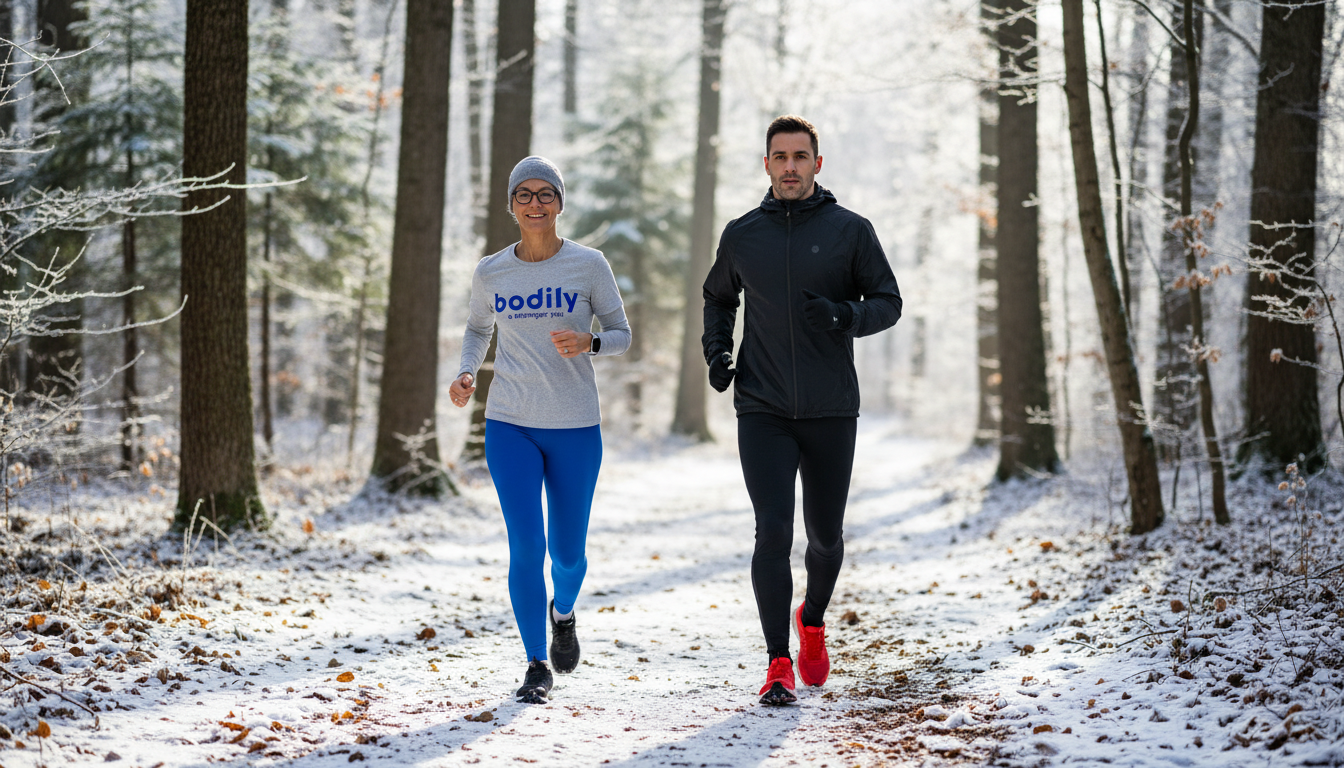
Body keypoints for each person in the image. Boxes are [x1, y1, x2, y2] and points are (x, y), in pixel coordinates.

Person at [702, 115, 903, 706]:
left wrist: (846, 316)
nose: (789, 166)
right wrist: (717, 351)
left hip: (830, 407)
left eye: (800, 156)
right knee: (772, 531)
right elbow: (718, 297)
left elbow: (888, 302)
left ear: (818, 163)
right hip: (761, 406)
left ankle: (811, 619)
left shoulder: (851, 231)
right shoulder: (742, 235)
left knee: (826, 537)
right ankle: (777, 664)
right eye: (779, 156)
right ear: (766, 164)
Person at [451, 156, 631, 704]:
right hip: (510, 423)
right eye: (524, 194)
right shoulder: (492, 272)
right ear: (511, 205)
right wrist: (465, 372)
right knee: (527, 546)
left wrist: (590, 343)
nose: (535, 203)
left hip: (575, 425)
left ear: (559, 202)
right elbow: (478, 327)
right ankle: (535, 663)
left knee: (568, 555)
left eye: (545, 194)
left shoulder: (588, 265)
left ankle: (564, 612)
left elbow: (621, 332)